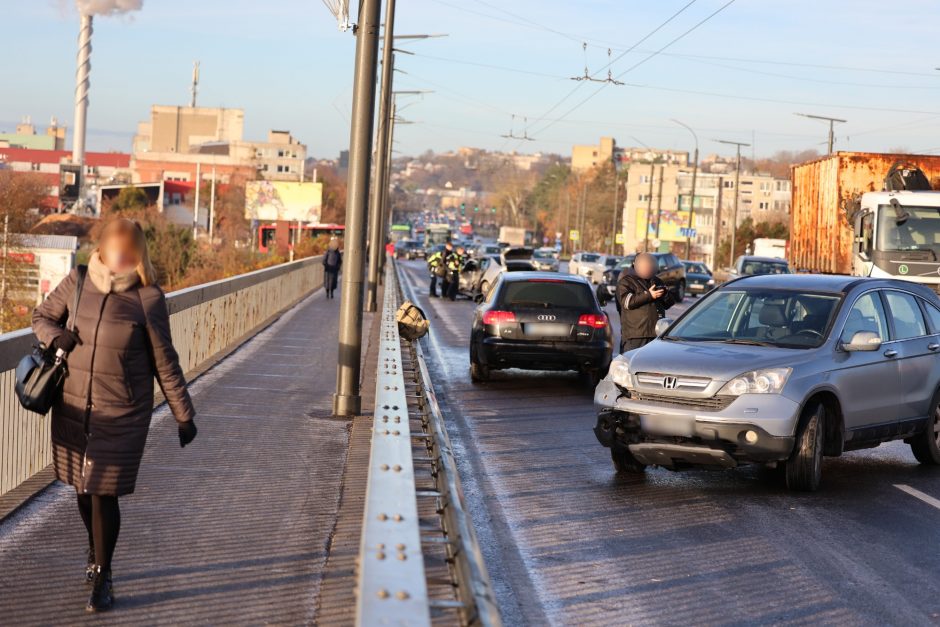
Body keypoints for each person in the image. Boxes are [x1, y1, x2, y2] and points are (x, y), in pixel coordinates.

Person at [32, 218, 197, 613]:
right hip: (73, 408)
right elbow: (41, 317)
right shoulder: (79, 280)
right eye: (115, 246)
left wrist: (183, 414)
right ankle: (95, 548)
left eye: (129, 249)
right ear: (103, 247)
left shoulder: (148, 298)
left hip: (122, 413)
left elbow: (165, 362)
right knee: (83, 493)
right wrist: (57, 337)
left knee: (103, 494)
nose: (121, 255)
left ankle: (103, 577)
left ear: (138, 253)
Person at [616, 252, 676, 352]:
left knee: (651, 365)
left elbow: (669, 303)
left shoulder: (657, 281)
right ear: (636, 265)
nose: (648, 269)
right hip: (636, 336)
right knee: (632, 363)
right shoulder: (626, 281)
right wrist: (649, 295)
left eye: (650, 266)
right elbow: (627, 302)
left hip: (656, 334)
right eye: (645, 266)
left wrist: (665, 294)